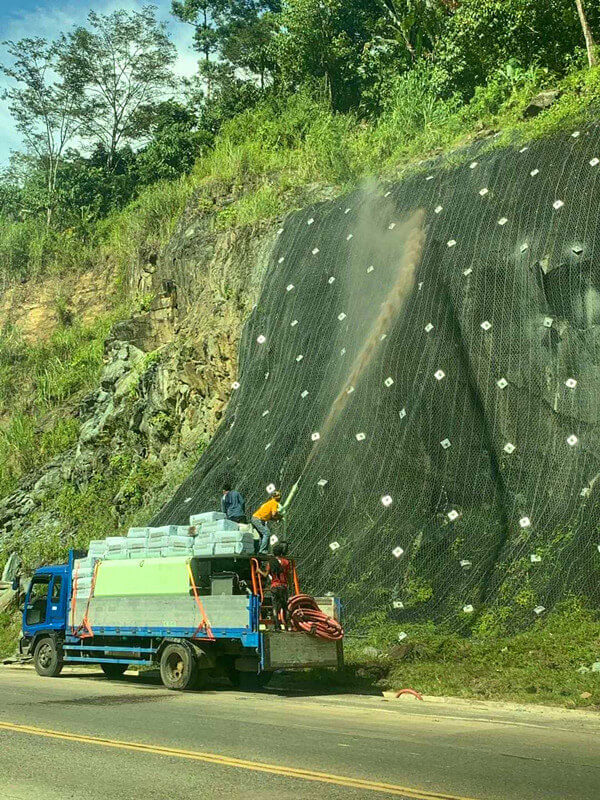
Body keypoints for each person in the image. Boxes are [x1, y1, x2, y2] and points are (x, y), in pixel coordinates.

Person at [258, 543, 291, 631]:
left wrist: (258, 570)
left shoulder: (271, 562)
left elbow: (265, 575)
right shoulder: (286, 562)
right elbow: (288, 575)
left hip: (275, 586)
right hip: (284, 586)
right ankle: (287, 626)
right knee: (285, 606)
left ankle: (277, 626)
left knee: (275, 607)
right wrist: (290, 585)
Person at [251, 490, 282, 554]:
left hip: (256, 518)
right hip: (258, 519)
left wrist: (276, 519)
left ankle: (258, 550)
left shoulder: (269, 503)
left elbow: (269, 516)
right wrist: (279, 516)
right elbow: (274, 514)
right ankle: (262, 551)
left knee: (263, 535)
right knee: (267, 533)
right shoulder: (274, 503)